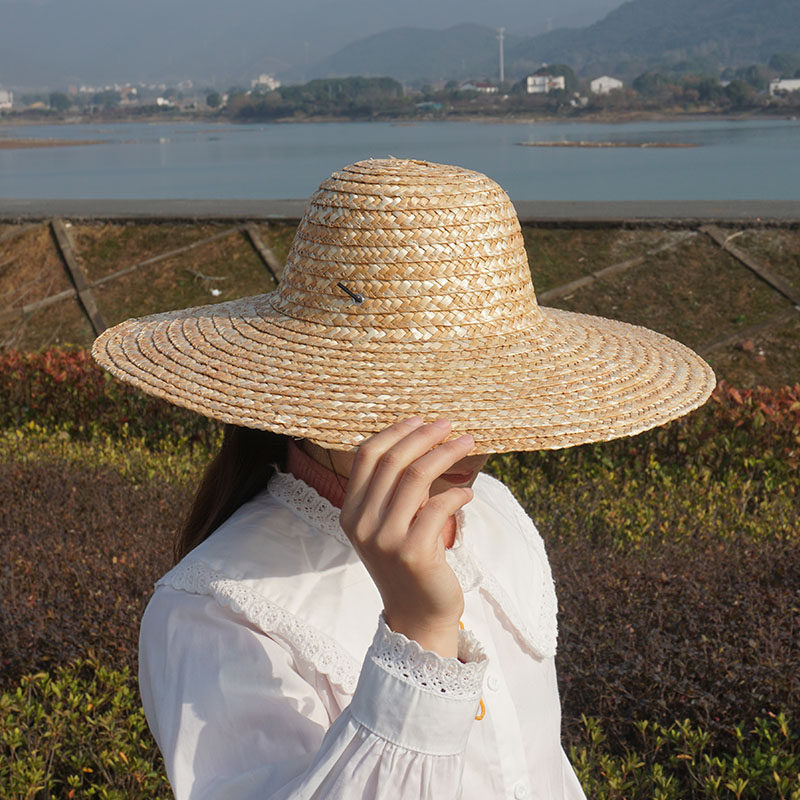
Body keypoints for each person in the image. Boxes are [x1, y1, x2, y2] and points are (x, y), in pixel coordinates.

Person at [92, 158, 715, 800]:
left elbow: (542, 768)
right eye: (412, 398)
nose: (463, 434)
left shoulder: (494, 512)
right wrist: (419, 631)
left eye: (485, 396)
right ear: (313, 397)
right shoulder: (217, 610)